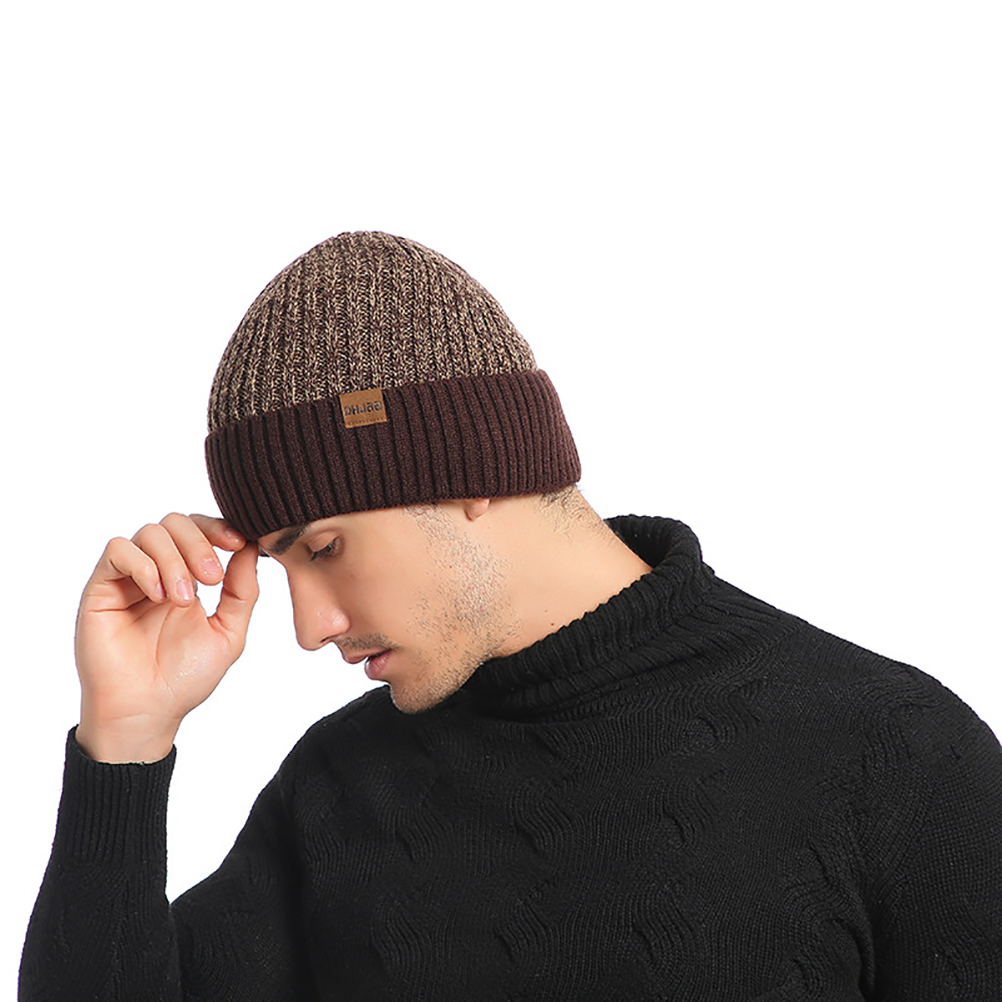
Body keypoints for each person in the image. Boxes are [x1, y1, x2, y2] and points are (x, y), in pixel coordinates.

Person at [20, 232, 1002, 1000]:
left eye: (323, 548)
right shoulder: (338, 793)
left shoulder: (894, 754)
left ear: (468, 473)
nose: (309, 627)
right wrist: (124, 742)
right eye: (278, 567)